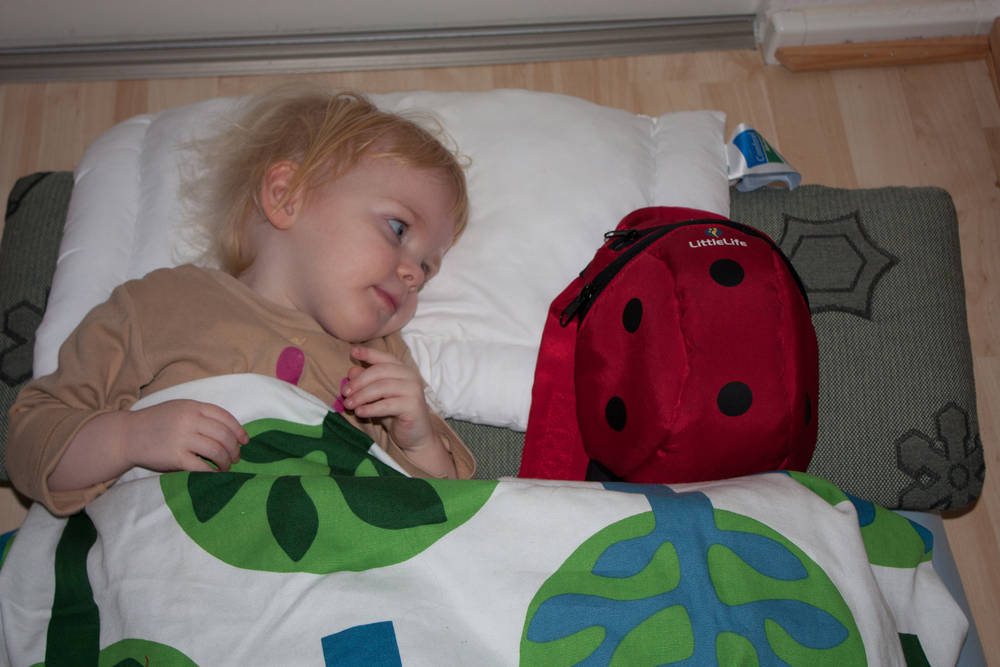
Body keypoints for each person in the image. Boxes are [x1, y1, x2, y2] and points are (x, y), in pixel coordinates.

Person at [7, 87, 475, 516]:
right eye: (398, 228)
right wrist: (128, 438)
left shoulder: (382, 363)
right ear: (286, 196)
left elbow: (448, 521)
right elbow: (30, 446)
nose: (414, 275)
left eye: (427, 267)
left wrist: (418, 442)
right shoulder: (162, 303)